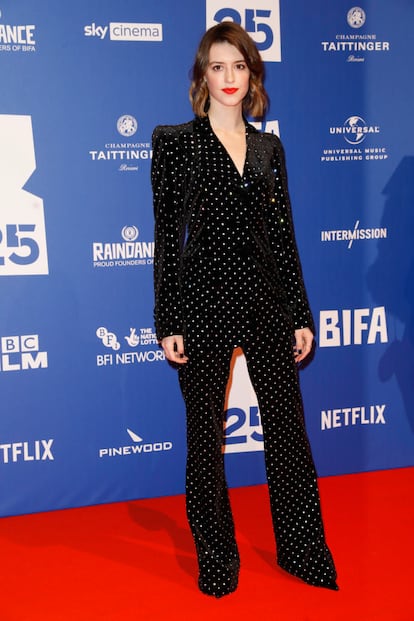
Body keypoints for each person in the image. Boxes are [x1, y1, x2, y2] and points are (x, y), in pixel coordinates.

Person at [151, 21, 338, 598]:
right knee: (206, 440)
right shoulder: (175, 142)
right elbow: (167, 238)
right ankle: (216, 556)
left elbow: (283, 237)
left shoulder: (268, 147)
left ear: (252, 74)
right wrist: (168, 320)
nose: (229, 78)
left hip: (265, 301)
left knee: (287, 431)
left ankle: (304, 549)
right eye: (217, 67)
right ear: (201, 77)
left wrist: (300, 313)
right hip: (202, 302)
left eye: (239, 66)